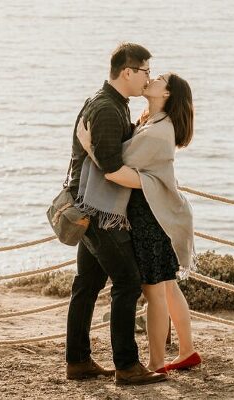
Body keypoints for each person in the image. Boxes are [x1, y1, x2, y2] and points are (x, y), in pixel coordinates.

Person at [76, 72, 201, 374]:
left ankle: (157, 362)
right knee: (167, 287)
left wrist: (88, 142)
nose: (151, 79)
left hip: (150, 217)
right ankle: (187, 351)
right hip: (155, 212)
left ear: (167, 94)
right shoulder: (150, 122)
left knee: (154, 290)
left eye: (158, 78)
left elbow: (113, 167)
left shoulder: (158, 132)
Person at [64, 43, 167, 386]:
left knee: (88, 284)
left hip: (88, 205)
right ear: (128, 71)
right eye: (145, 72)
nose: (147, 78)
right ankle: (126, 365)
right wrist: (153, 183)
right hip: (99, 210)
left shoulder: (108, 102)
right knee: (127, 281)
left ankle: (78, 361)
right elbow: (110, 167)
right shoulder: (108, 109)